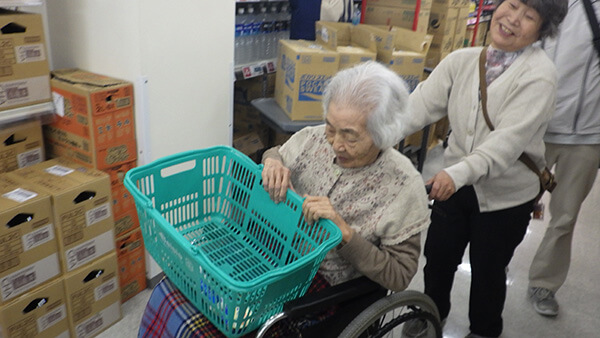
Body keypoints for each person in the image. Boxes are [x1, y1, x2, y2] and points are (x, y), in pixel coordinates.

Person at [400, 0, 568, 337]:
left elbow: (505, 144)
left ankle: (484, 330)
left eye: (529, 15)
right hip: (454, 187)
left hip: (506, 197)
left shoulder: (540, 76)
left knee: (489, 271)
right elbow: (416, 107)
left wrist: (456, 174)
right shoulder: (463, 61)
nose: (513, 19)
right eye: (512, 5)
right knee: (439, 258)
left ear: (541, 30)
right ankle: (432, 314)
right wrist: (372, 134)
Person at [261, 60, 431, 333]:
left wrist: (345, 234)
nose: (335, 144)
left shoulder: (403, 187)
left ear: (382, 133)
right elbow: (276, 152)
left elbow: (399, 275)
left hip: (328, 291)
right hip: (277, 256)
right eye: (331, 128)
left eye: (350, 136)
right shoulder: (313, 138)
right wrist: (271, 162)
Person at [527, 0, 600, 317]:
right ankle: (494, 260)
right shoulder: (550, 4)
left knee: (565, 217)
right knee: (511, 207)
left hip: (588, 136)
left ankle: (543, 282)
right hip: (534, 128)